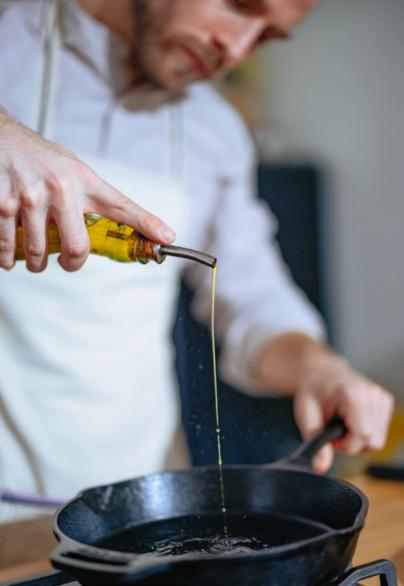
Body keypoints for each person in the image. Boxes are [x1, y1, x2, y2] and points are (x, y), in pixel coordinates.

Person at [0, 0, 394, 523]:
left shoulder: (215, 130)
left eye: (265, 38)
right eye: (238, 5)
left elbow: (253, 299)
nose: (236, 48)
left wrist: (319, 367)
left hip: (140, 500)